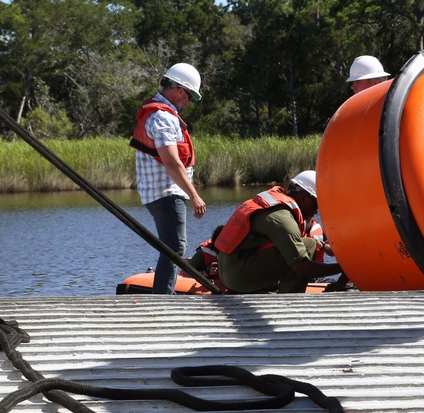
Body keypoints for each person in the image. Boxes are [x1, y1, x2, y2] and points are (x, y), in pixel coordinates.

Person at [130, 62, 207, 294]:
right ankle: (163, 299)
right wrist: (194, 195)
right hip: (166, 193)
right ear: (182, 91)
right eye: (190, 97)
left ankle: (164, 296)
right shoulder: (164, 117)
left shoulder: (158, 114)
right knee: (174, 247)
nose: (188, 103)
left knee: (172, 246)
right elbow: (172, 162)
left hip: (159, 194)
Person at [214, 170, 342, 293]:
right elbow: (302, 268)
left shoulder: (275, 204)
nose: (316, 212)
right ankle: (290, 301)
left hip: (229, 270)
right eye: (316, 205)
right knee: (309, 245)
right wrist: (343, 268)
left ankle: (265, 288)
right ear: (303, 197)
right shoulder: (282, 219)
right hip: (238, 276)